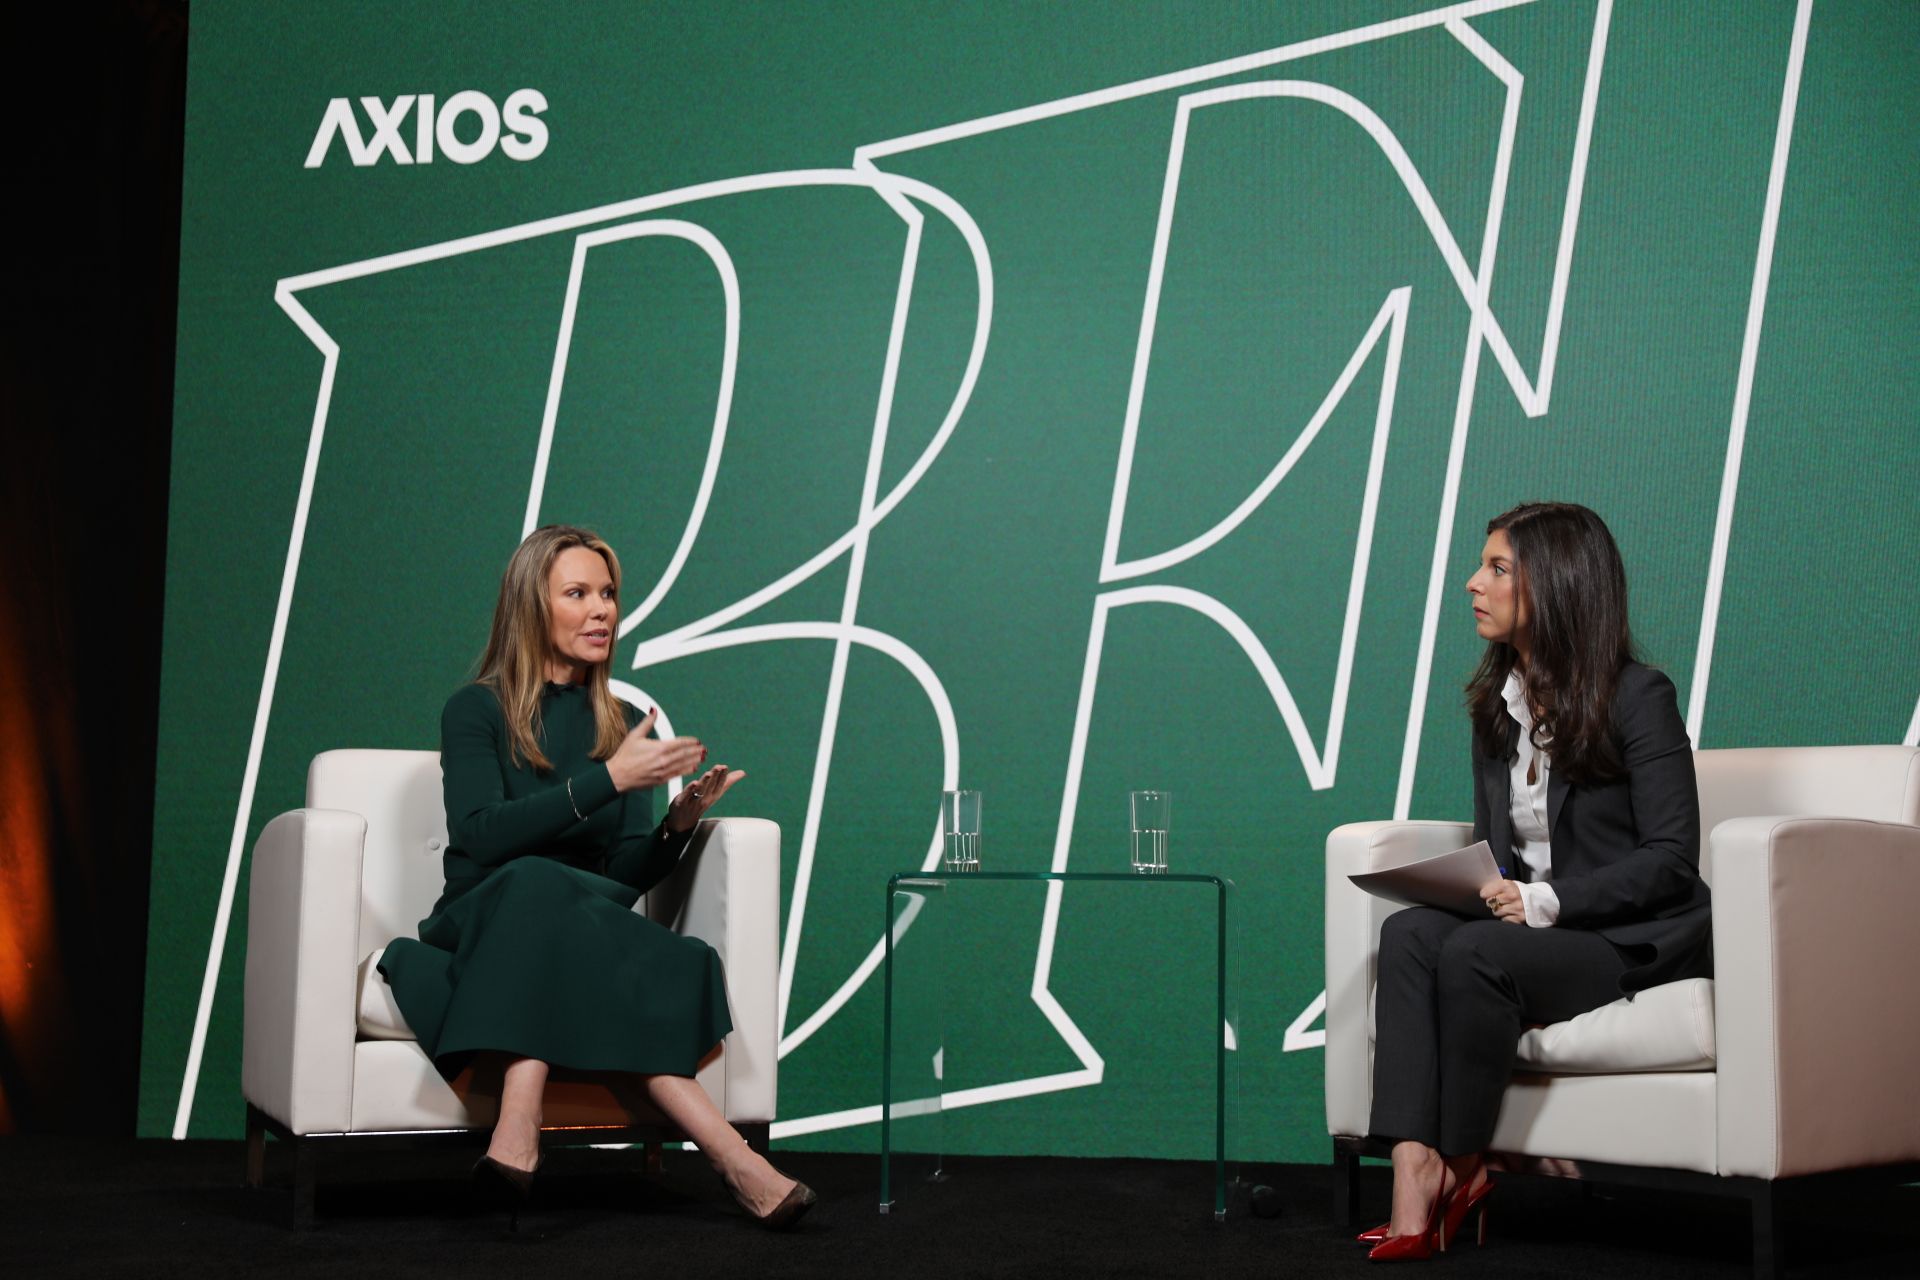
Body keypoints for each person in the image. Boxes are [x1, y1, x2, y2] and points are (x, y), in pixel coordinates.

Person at [377, 524, 815, 1230]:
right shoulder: (476, 709)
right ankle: (732, 1161)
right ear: (532, 608)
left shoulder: (626, 721)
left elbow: (623, 873)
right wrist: (607, 780)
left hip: (583, 921)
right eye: (578, 593)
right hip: (484, 917)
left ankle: (528, 1144)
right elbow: (481, 836)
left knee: (661, 945)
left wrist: (677, 827)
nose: (602, 609)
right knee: (533, 880)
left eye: (607, 593)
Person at [1361, 502, 1711, 1262]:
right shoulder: (1497, 705)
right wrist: (1472, 885)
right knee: (1411, 933)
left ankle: (1464, 1164)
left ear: (1554, 585)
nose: (1471, 584)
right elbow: (1505, 848)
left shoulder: (1639, 697)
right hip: (1536, 933)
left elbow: (1670, 858)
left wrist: (1541, 902)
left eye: (1495, 568)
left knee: (1474, 954)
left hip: (1625, 939)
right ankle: (1412, 1164)